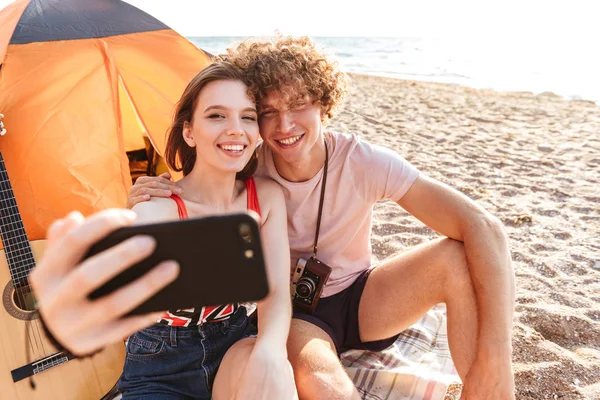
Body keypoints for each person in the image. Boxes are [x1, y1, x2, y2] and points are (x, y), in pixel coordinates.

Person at [128, 35, 516, 400]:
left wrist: (494, 362)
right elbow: (206, 182)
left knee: (454, 257)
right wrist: (153, 189)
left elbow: (484, 226)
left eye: (299, 105)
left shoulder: (363, 162)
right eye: (268, 112)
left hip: (363, 297)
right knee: (324, 384)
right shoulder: (248, 163)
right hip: (299, 316)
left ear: (324, 106)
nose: (284, 125)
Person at [31, 62, 297, 400]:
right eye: (216, 116)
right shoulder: (157, 207)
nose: (235, 130)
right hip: (160, 362)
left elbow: (275, 293)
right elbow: (115, 284)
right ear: (189, 132)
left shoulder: (267, 197)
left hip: (234, 341)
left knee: (273, 370)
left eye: (247, 117)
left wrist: (271, 351)